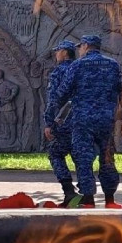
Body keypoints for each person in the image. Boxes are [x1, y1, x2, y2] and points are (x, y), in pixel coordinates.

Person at [44, 35, 122, 207]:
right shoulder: (113, 64)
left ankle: (89, 199)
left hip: (83, 120)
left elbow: (61, 94)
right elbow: (121, 88)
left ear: (86, 46)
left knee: (83, 159)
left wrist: (53, 117)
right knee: (107, 157)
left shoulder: (77, 65)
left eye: (80, 46)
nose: (79, 50)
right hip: (106, 119)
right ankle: (110, 199)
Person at [42, 40, 78, 204]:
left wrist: (49, 123)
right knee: (80, 156)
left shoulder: (59, 71)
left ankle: (69, 192)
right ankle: (87, 195)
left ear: (64, 52)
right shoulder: (80, 69)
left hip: (63, 121)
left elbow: (54, 100)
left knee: (55, 153)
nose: (56, 54)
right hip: (82, 121)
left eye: (58, 51)